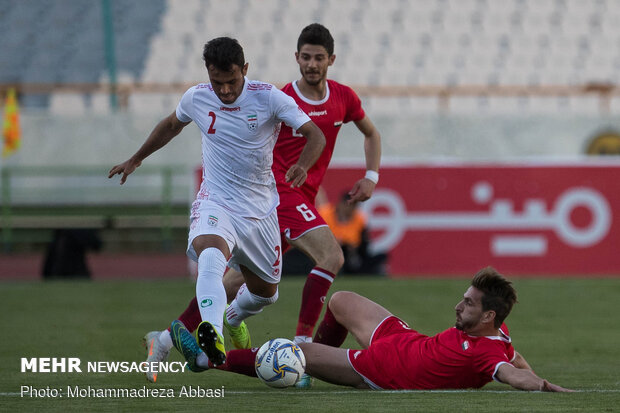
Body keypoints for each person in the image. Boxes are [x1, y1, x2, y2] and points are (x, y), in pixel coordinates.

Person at [141, 24, 382, 386]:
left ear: (331, 60)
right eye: (305, 57)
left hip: (282, 198)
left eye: (319, 58)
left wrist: (371, 176)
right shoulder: (279, 96)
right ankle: (302, 347)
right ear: (296, 58)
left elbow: (370, 133)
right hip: (279, 192)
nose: (311, 64)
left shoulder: (343, 98)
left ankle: (167, 337)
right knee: (331, 257)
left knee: (256, 287)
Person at [110, 37, 325, 372]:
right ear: (208, 74)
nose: (224, 90)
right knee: (211, 252)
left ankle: (229, 317)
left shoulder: (268, 97)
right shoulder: (197, 97)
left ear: (245, 70)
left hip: (259, 212)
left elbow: (316, 135)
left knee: (266, 293)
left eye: (231, 82)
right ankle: (212, 332)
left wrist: (303, 165)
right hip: (217, 201)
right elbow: (171, 125)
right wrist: (136, 158)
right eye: (217, 82)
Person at [171, 267, 573, 392]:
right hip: (404, 340)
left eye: (467, 303)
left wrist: (539, 385)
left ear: (488, 316)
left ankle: (209, 359)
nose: (457, 304)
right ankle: (307, 378)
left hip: (381, 370)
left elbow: (510, 373)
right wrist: (535, 374)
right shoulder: (498, 340)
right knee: (342, 299)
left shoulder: (487, 357)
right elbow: (513, 356)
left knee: (288, 354)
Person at [318, 191, 387, 274]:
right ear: (341, 204)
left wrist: (352, 246)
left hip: (351, 254)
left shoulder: (359, 218)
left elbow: (364, 245)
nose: (352, 209)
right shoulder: (325, 214)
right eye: (350, 205)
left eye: (355, 206)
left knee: (381, 256)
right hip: (327, 251)